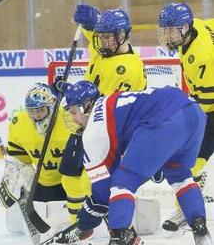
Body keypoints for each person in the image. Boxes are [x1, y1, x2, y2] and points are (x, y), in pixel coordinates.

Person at [59, 81, 211, 245]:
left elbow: (101, 194)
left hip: (164, 121)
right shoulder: (110, 100)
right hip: (194, 113)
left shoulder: (93, 132)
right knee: (181, 176)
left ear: (87, 106)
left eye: (74, 112)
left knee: (122, 183)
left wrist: (85, 222)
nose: (73, 119)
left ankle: (120, 237)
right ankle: (201, 231)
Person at [0, 83, 92, 241]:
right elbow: (20, 161)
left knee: (78, 180)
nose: (37, 115)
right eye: (32, 111)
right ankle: (18, 220)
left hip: (69, 180)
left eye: (40, 110)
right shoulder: (19, 123)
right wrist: (14, 178)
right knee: (17, 178)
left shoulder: (69, 118)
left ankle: (82, 226)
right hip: (44, 182)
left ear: (52, 107)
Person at [158, 2, 214, 233]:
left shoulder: (200, 58)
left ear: (185, 27)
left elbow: (207, 106)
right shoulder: (199, 26)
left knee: (189, 164)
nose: (168, 35)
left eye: (173, 29)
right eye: (166, 29)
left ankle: (185, 209)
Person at [73, 5, 147, 95]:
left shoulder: (127, 70)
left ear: (121, 35)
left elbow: (102, 107)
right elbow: (93, 33)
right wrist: (90, 23)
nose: (102, 42)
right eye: (100, 37)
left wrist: (72, 95)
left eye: (106, 37)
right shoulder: (109, 47)